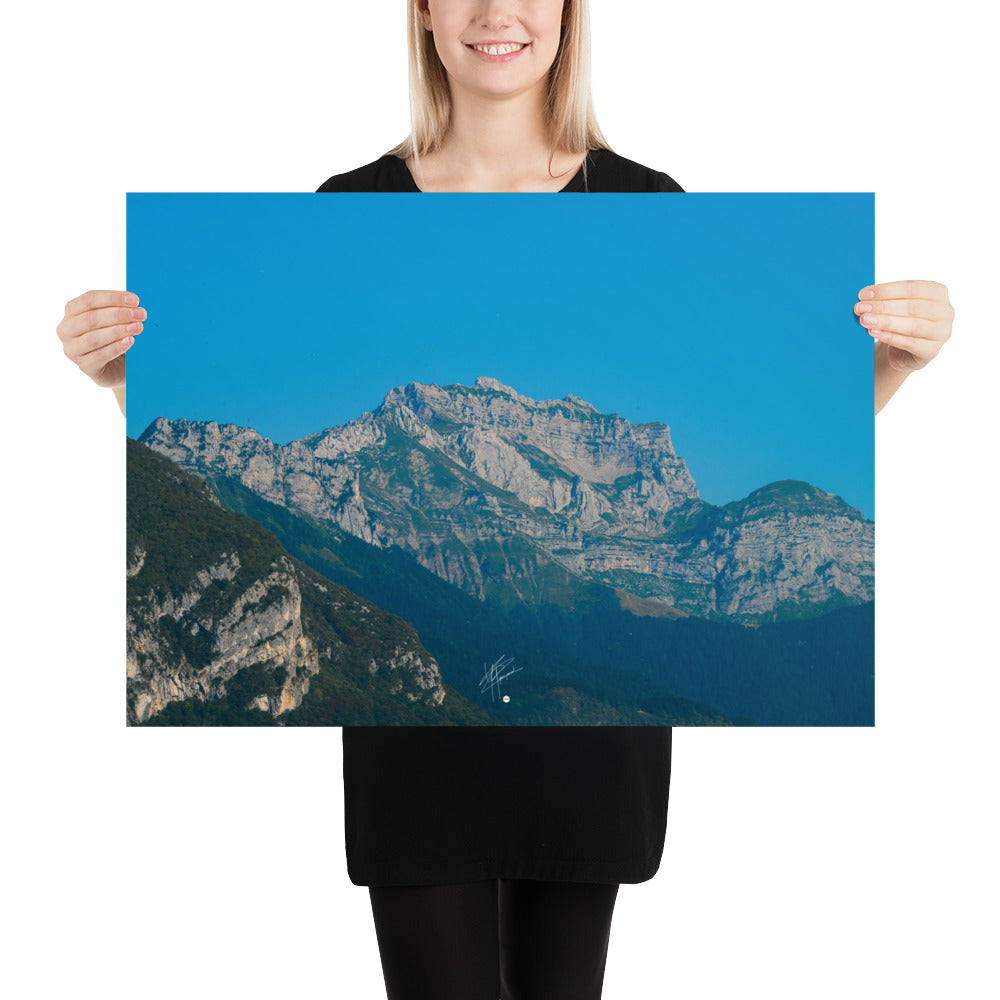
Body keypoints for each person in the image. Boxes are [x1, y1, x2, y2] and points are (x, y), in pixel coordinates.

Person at [55, 2, 954, 997]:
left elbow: (820, 422)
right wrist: (118, 379)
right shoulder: (344, 204)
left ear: (570, 13)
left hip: (588, 772)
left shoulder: (648, 201)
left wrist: (893, 367)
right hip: (417, 769)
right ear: (424, 12)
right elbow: (201, 450)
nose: (496, 11)